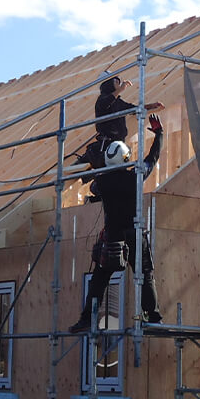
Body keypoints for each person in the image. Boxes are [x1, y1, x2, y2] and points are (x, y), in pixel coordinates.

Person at [69, 114, 164, 332]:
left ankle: (86, 319)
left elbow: (93, 188)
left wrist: (99, 166)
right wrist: (159, 134)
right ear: (125, 159)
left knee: (100, 279)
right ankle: (153, 317)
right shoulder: (134, 178)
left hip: (112, 237)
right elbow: (152, 159)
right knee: (145, 274)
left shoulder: (101, 182)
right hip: (134, 234)